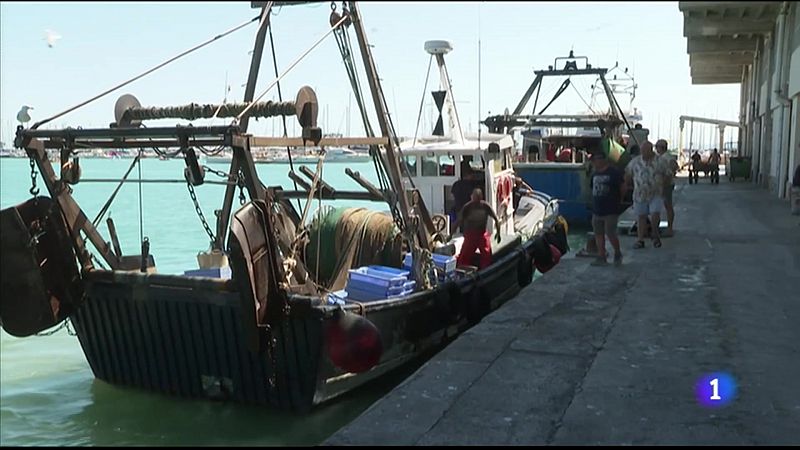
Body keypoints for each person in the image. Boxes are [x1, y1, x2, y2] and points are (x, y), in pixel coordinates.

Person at [625, 140, 672, 249]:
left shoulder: (660, 161)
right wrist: (627, 185)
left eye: (646, 150)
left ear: (651, 150)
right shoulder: (635, 162)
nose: (644, 152)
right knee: (641, 217)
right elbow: (628, 173)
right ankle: (640, 239)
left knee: (655, 213)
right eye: (642, 150)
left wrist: (664, 187)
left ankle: (655, 234)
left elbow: (668, 174)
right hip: (639, 194)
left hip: (656, 193)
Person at [589, 151, 626, 266]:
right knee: (598, 233)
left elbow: (623, 187)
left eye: (597, 160)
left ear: (603, 160)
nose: (595, 162)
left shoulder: (614, 173)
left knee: (610, 233)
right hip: (597, 209)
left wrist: (620, 199)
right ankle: (601, 256)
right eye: (594, 160)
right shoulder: (594, 174)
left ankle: (617, 252)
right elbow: (592, 188)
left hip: (611, 209)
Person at [453, 188, 501, 269]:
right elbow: (458, 221)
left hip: (482, 234)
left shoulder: (485, 206)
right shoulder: (467, 207)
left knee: (487, 254)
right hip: (470, 235)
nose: (475, 199)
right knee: (464, 256)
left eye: (477, 197)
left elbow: (496, 218)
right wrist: (451, 234)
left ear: (481, 197)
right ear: (471, 197)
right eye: (474, 197)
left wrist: (498, 233)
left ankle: (485, 271)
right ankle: (462, 270)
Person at [655, 139, 679, 236]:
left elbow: (673, 169)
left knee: (667, 206)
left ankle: (669, 228)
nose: (656, 148)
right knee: (663, 206)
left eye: (657, 146)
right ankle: (666, 227)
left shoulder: (666, 158)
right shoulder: (664, 157)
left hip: (666, 185)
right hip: (662, 184)